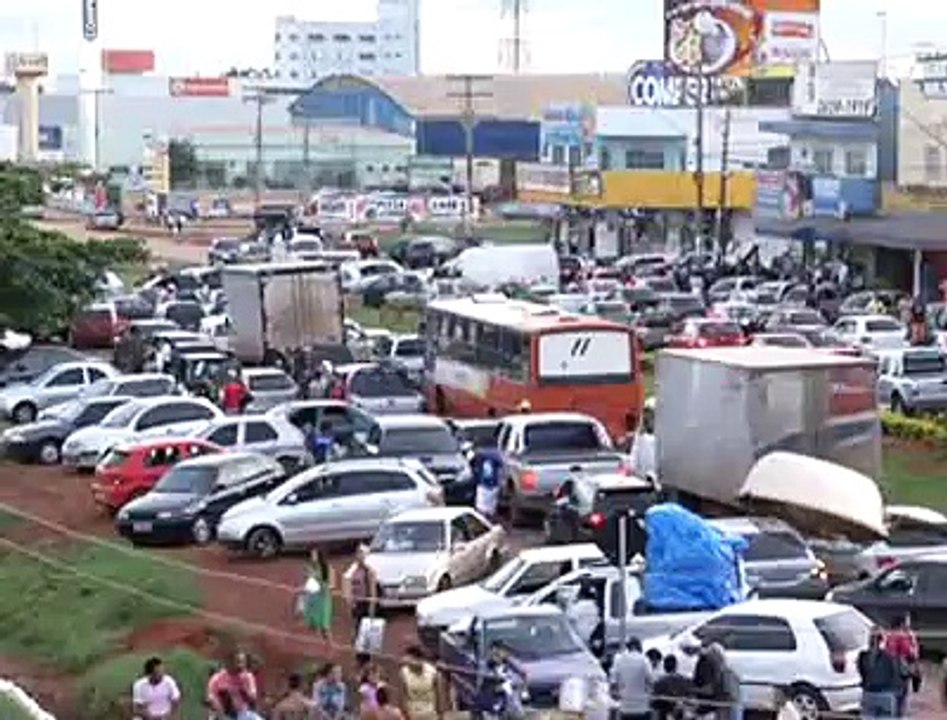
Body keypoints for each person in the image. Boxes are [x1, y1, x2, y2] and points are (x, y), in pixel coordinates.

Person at [206, 650, 262, 720]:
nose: (241, 665)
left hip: (243, 713)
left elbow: (252, 697)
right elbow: (211, 697)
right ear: (229, 662)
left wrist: (242, 688)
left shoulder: (248, 677)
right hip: (222, 713)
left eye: (243, 662)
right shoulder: (217, 679)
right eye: (238, 662)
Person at [858, 627, 899, 719]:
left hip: (869, 693)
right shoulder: (890, 656)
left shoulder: (863, 656)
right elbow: (894, 674)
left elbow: (862, 672)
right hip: (886, 693)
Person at [884, 614, 920, 717]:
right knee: (900, 701)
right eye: (907, 622)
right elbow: (912, 653)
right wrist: (913, 641)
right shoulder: (902, 636)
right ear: (902, 623)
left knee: (892, 699)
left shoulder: (889, 635)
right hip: (901, 672)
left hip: (889, 671)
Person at [609, 637, 653, 720]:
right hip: (642, 708)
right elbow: (651, 681)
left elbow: (613, 684)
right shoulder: (644, 660)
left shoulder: (619, 660)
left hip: (625, 708)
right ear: (637, 646)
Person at [344, 545, 379, 648]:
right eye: (358, 553)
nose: (359, 556)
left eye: (361, 554)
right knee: (357, 629)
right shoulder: (354, 570)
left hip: (365, 603)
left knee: (365, 632)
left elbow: (373, 591)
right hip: (357, 602)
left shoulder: (369, 571)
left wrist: (372, 606)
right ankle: (360, 655)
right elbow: (351, 584)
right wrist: (350, 600)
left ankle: (365, 658)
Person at [132, 656, 181, 720]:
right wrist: (147, 715)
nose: (162, 675)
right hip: (147, 717)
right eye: (158, 673)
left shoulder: (169, 682)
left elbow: (176, 702)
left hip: (165, 717)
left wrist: (170, 715)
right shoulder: (139, 685)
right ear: (149, 674)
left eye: (162, 671)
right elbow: (136, 709)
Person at [303, 547, 334, 642]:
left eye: (314, 555)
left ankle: (330, 645)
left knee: (325, 626)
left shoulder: (327, 568)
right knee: (316, 626)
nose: (312, 557)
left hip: (324, 599)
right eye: (311, 555)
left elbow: (331, 584)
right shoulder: (310, 568)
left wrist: (318, 581)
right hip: (313, 598)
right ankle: (323, 645)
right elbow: (308, 582)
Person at [400, 646, 439, 720]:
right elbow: (403, 696)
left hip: (430, 713)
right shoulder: (404, 672)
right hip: (413, 713)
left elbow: (438, 695)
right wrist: (405, 713)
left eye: (411, 661)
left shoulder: (432, 672)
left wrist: (440, 715)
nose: (409, 664)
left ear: (419, 659)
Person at [651, 654, 695, 720]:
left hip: (665, 715)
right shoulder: (686, 680)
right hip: (683, 714)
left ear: (664, 667)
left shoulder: (659, 682)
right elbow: (691, 698)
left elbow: (654, 703)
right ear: (676, 666)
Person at [471, 440, 503, 520]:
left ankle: (487, 519)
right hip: (485, 484)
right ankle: (484, 519)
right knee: (483, 507)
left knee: (488, 507)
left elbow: (500, 464)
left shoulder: (489, 457)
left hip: (491, 484)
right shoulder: (481, 458)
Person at [628, 398, 657, 479]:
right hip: (642, 478)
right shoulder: (640, 435)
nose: (648, 417)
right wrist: (631, 468)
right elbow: (634, 453)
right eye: (647, 414)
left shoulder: (663, 434)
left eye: (651, 414)